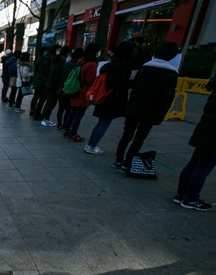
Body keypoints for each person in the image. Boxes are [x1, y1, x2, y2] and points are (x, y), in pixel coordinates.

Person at [113, 42, 179, 172]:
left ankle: (118, 160)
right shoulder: (171, 74)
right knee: (139, 138)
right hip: (151, 111)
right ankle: (127, 163)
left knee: (127, 135)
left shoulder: (145, 68)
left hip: (134, 106)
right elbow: (167, 97)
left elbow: (132, 84)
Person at [84, 41, 135, 154]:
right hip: (111, 99)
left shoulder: (109, 64)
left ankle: (90, 145)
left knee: (100, 123)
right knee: (104, 123)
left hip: (102, 96)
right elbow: (120, 85)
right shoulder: (121, 66)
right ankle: (92, 146)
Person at [173, 75, 216, 211]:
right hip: (214, 134)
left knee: (194, 163)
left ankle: (182, 194)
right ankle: (191, 199)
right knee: (203, 168)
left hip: (205, 127)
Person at [63, 42, 102, 142]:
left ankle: (67, 130)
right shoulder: (92, 64)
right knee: (78, 115)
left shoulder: (81, 61)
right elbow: (90, 80)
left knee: (72, 112)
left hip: (75, 90)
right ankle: (73, 133)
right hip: (83, 92)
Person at [40, 45, 69, 127]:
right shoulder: (59, 64)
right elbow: (56, 77)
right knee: (51, 103)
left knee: (49, 102)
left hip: (50, 84)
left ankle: (44, 118)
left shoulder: (53, 61)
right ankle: (45, 119)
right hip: (53, 86)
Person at [56, 47, 83, 129]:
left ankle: (59, 124)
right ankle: (65, 124)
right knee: (68, 109)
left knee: (61, 108)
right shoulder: (78, 67)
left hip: (62, 88)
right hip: (72, 90)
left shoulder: (65, 65)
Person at [29, 46, 52, 119]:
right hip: (42, 82)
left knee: (36, 96)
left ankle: (33, 111)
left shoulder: (39, 60)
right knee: (42, 98)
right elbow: (46, 72)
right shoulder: (46, 61)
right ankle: (37, 112)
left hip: (37, 80)